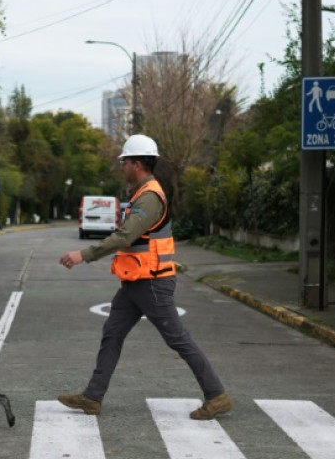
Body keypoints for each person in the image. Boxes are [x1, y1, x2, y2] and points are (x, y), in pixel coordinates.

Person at [57, 134, 232, 420]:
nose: (122, 167)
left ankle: (217, 395)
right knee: (112, 333)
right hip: (135, 282)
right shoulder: (141, 193)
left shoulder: (150, 197)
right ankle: (92, 396)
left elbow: (127, 235)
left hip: (152, 282)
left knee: (178, 339)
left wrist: (84, 254)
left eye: (124, 162)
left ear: (137, 164)